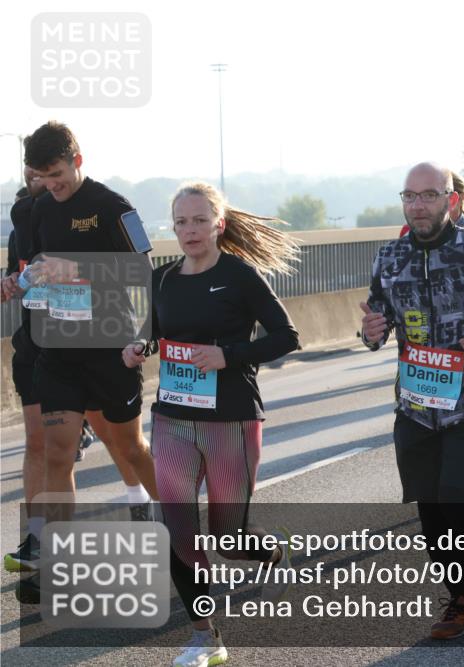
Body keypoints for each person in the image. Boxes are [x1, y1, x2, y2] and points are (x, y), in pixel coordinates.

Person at [123, 182, 300, 667]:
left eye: (199, 220)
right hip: (173, 419)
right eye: (181, 222)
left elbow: (287, 336)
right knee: (177, 530)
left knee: (228, 538)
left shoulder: (240, 276)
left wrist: (228, 355)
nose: (189, 230)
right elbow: (152, 331)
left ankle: (268, 551)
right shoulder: (161, 279)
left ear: (218, 224)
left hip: (231, 419)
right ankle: (206, 637)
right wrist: (140, 348)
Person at [360, 162, 464, 639]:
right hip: (415, 405)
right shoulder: (390, 256)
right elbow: (378, 318)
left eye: (428, 195)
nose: (418, 205)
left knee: (456, 499)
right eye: (409, 196)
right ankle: (458, 603)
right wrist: (372, 332)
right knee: (431, 511)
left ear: (450, 200)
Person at [12, 123, 158, 584]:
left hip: (109, 349)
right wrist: (26, 281)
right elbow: (36, 265)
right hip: (57, 349)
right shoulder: (38, 210)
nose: (49, 184)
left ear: (77, 160)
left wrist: (77, 270)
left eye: (55, 174)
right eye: (40, 175)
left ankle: (181, 526)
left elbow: (143, 275)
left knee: (130, 448)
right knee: (57, 451)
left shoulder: (112, 207)